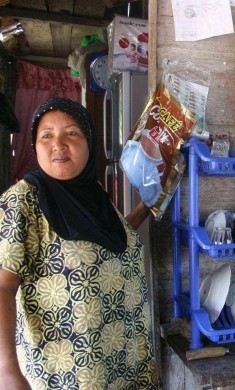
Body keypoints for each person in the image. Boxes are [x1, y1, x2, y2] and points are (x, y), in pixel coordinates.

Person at [0, 98, 161, 389]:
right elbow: (2, 285)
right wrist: (6, 369)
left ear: (89, 141)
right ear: (34, 145)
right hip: (72, 377)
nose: (58, 144)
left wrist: (148, 206)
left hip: (128, 365)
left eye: (71, 133)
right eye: (46, 135)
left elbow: (108, 244)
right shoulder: (22, 202)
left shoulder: (92, 193)